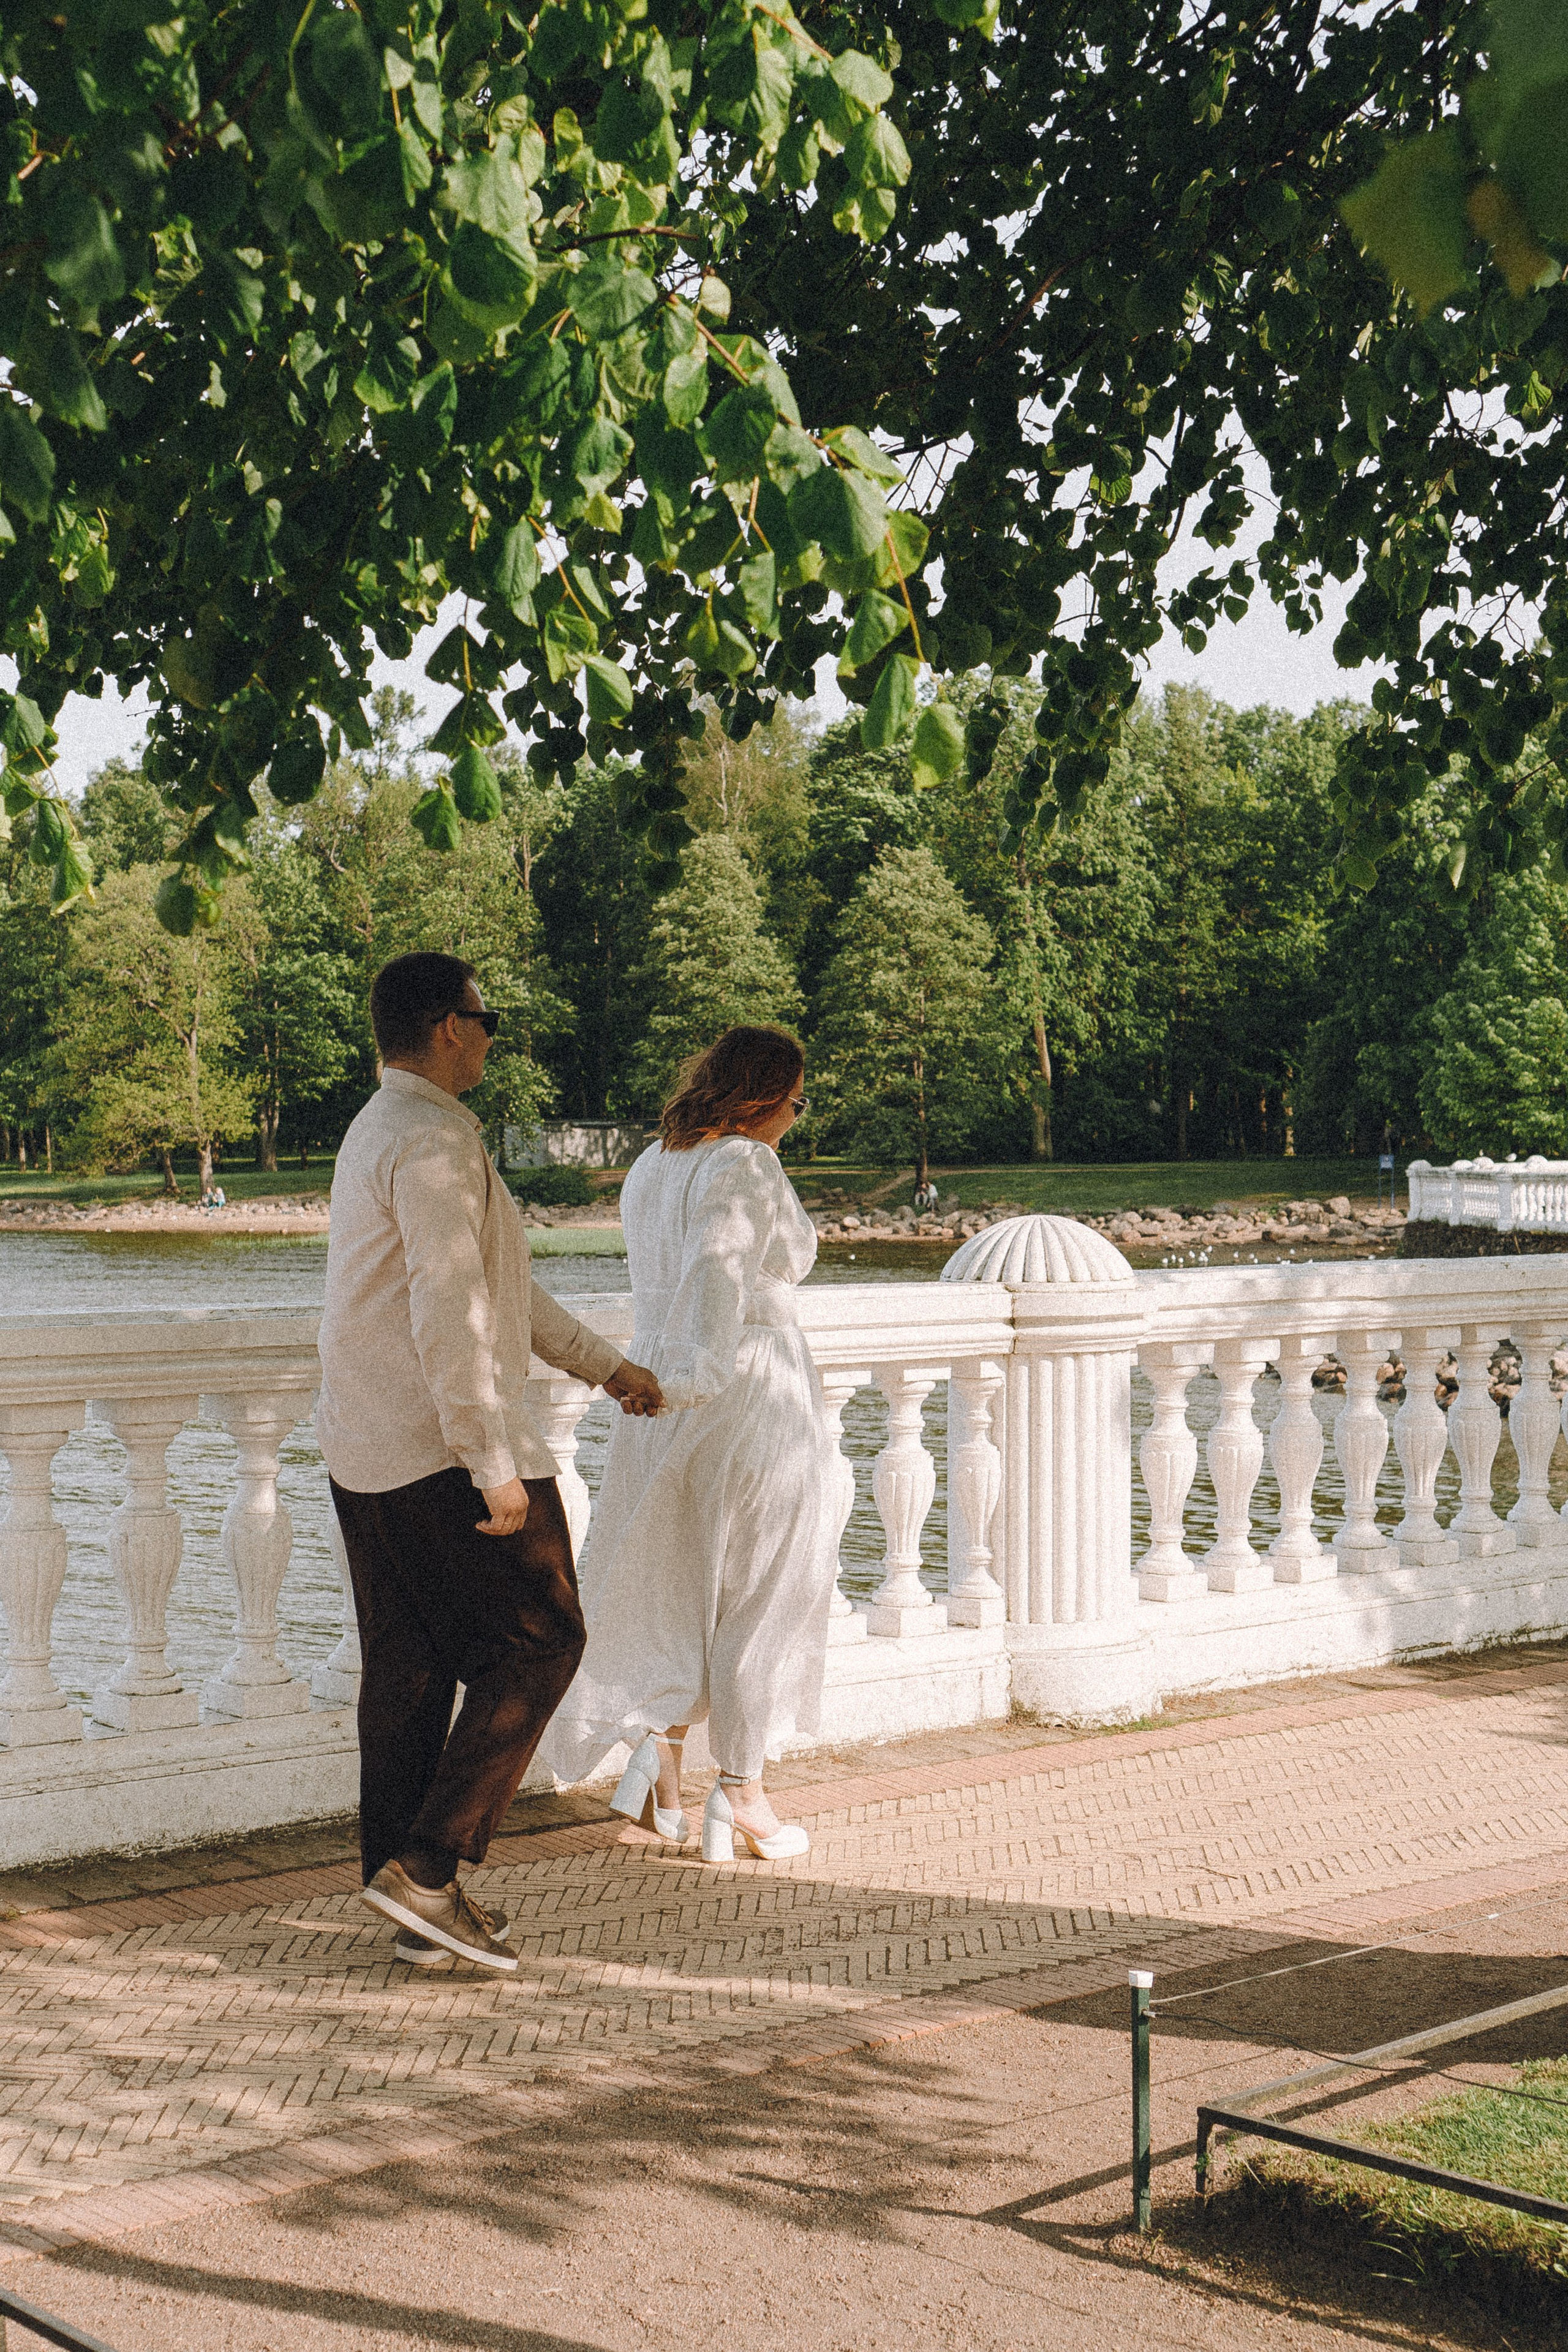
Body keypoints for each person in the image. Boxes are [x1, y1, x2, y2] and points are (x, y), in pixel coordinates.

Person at [317, 952, 664, 1969]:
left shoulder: (381, 1127)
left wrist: (605, 1368)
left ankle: (411, 1901)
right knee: (545, 1637)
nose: (490, 1036)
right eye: (487, 1018)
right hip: (438, 1451)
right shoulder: (430, 1139)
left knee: (412, 1670)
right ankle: (427, 1871)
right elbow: (448, 1308)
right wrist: (491, 1459)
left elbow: (494, 1290)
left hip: (366, 1446)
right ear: (448, 1026)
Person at [547, 1025, 839, 1864]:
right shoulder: (745, 1161)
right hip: (743, 1391)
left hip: (662, 1390)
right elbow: (718, 1274)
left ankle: (662, 1757)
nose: (796, 1118)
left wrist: (666, 1385)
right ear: (763, 1097)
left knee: (675, 1579)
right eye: (795, 1101)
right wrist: (695, 1380)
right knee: (764, 1588)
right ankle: (741, 1792)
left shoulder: (653, 1164)